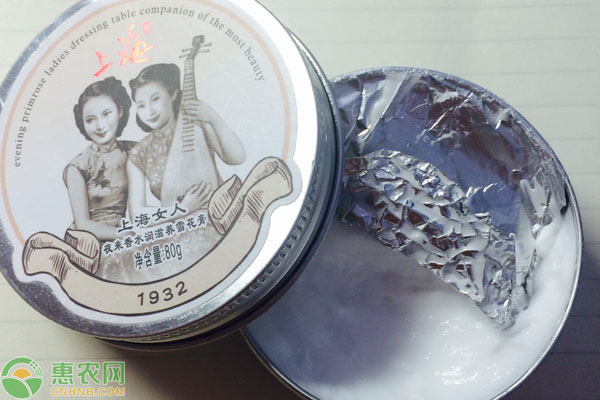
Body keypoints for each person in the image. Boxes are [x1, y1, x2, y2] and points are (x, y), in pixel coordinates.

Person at [127, 63, 246, 222]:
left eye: (155, 99)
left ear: (173, 94)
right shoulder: (139, 153)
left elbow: (237, 158)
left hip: (220, 216)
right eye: (141, 105)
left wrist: (213, 118)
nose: (149, 111)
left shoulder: (195, 124)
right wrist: (182, 209)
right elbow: (137, 215)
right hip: (176, 227)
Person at [63, 77, 135, 241]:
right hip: (89, 243)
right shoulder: (78, 167)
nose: (100, 126)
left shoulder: (134, 150)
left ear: (120, 111)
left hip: (125, 234)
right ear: (82, 122)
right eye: (90, 120)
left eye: (107, 114)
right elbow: (83, 225)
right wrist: (125, 235)